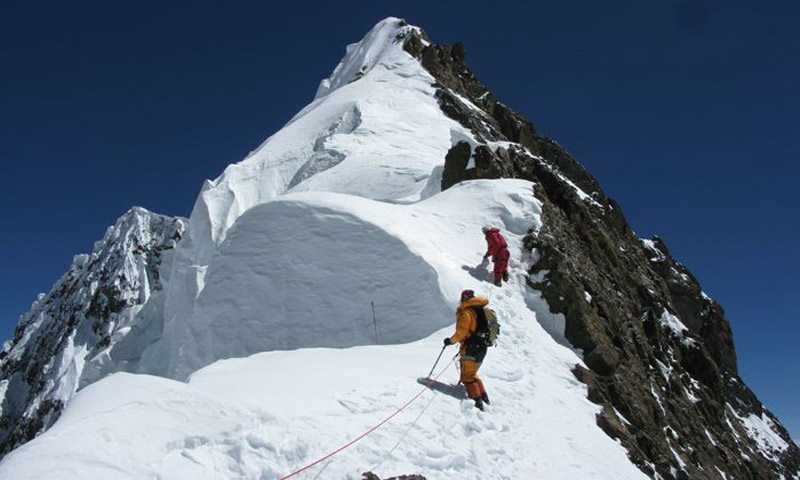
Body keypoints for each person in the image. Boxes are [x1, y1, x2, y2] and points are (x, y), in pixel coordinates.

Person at [443, 289, 491, 410]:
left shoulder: (467, 313)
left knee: (468, 377)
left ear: (463, 299)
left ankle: (477, 403)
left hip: (471, 348)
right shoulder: (481, 311)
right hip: (482, 347)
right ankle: (484, 398)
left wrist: (450, 341)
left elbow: (461, 332)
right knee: (472, 374)